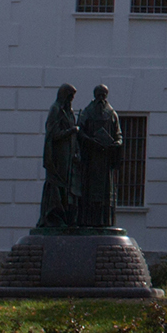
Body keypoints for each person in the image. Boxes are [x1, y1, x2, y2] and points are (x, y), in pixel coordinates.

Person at [77, 83, 124, 228]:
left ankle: (105, 221)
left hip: (105, 160)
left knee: (105, 193)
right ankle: (88, 220)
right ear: (95, 95)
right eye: (99, 95)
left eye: (104, 95)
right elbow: (79, 131)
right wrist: (89, 140)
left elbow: (119, 134)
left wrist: (117, 143)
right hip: (91, 159)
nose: (102, 98)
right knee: (90, 191)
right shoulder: (87, 112)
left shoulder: (112, 113)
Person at [38, 83, 81, 228]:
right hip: (57, 156)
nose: (71, 100)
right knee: (57, 185)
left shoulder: (69, 111)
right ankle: (53, 217)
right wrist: (71, 131)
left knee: (68, 187)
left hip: (68, 156)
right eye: (70, 96)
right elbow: (53, 134)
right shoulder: (56, 110)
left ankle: (66, 217)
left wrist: (76, 151)